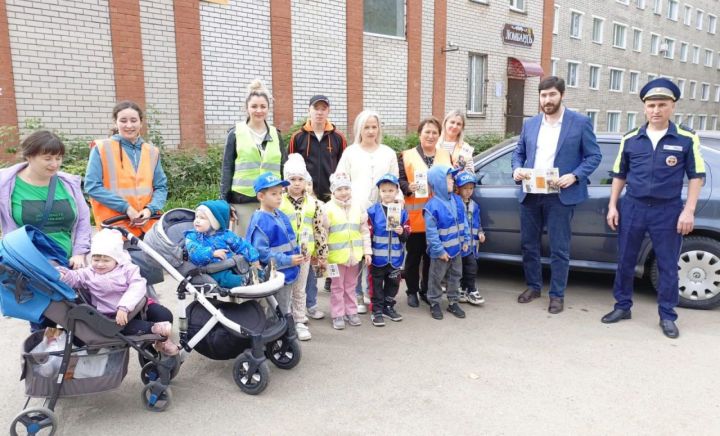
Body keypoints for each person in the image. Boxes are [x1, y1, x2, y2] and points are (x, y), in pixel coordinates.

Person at [601, 78, 705, 339]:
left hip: (667, 210)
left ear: (672, 106)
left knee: (668, 265)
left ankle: (667, 315)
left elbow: (696, 176)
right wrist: (613, 206)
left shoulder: (686, 138)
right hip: (633, 207)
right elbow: (619, 175)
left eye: (662, 104)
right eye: (651, 105)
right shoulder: (630, 139)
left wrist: (688, 210)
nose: (656, 110)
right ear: (644, 108)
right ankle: (622, 306)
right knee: (625, 260)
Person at [511, 76, 602, 314]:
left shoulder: (580, 122)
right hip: (530, 193)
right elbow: (518, 152)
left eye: (552, 94)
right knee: (529, 245)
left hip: (560, 195)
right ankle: (533, 286)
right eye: (543, 95)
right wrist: (516, 168)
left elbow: (594, 156)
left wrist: (575, 175)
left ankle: (557, 295)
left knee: (559, 248)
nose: (547, 100)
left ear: (562, 95)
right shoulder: (530, 124)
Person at [57, 229, 178, 355]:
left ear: (117, 259)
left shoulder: (128, 269)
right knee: (127, 328)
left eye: (106, 260)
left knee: (165, 315)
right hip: (113, 315)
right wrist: (62, 275)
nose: (99, 264)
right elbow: (75, 277)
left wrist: (125, 306)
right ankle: (152, 330)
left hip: (136, 306)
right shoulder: (88, 273)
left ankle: (162, 342)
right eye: (96, 259)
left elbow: (137, 285)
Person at [336, 110, 400, 313]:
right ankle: (356, 294)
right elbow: (341, 179)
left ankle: (371, 293)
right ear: (359, 129)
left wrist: (396, 209)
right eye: (367, 127)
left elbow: (396, 183)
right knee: (357, 252)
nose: (371, 131)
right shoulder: (350, 152)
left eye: (374, 127)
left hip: (382, 211)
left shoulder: (388, 152)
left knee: (376, 252)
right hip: (357, 208)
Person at [0, 130, 91, 268]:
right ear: (29, 156)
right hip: (26, 267)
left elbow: (83, 222)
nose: (54, 164)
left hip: (68, 265)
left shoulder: (69, 184)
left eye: (58, 158)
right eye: (47, 158)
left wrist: (79, 253)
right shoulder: (6, 184)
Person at [85, 101, 168, 237]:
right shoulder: (101, 148)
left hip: (148, 227)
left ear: (141, 123)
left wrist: (149, 210)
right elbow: (92, 186)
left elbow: (161, 187)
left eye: (133, 120)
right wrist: (127, 208)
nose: (129, 125)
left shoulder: (152, 151)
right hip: (115, 228)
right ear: (115, 123)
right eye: (123, 120)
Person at [220, 79, 288, 235]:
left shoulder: (276, 135)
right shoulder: (235, 133)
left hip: (271, 198)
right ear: (247, 108)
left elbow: (284, 166)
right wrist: (224, 200)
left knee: (271, 243)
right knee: (245, 244)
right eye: (254, 106)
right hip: (243, 200)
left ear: (268, 109)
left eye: (263, 106)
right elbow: (227, 168)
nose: (259, 110)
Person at [398, 117, 452, 308]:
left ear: (439, 135)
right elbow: (399, 180)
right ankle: (412, 291)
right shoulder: (406, 155)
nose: (430, 136)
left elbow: (451, 180)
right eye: (427, 132)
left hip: (439, 218)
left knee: (432, 258)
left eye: (434, 132)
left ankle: (427, 290)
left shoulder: (445, 155)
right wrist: (408, 187)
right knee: (414, 257)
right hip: (416, 217)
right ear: (419, 134)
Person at [279, 155, 329, 341]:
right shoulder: (279, 201)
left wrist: (322, 254)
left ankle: (299, 320)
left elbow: (319, 229)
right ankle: (282, 318)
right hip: (283, 254)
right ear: (286, 181)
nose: (297, 183)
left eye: (300, 179)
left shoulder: (314, 204)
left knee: (299, 288)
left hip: (304, 254)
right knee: (283, 288)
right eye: (292, 179)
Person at [246, 172, 306, 319]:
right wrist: (289, 260)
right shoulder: (261, 220)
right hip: (276, 274)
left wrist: (299, 253)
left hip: (287, 272)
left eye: (280, 193)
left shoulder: (279, 214)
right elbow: (262, 254)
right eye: (274, 194)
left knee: (283, 307)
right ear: (261, 196)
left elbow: (289, 241)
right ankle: (277, 338)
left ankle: (281, 335)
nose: (279, 197)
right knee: (278, 310)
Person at [323, 172, 372, 330]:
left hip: (354, 256)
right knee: (337, 287)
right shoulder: (327, 209)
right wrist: (323, 256)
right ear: (333, 191)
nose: (343, 192)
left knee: (351, 286)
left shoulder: (358, 207)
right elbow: (323, 234)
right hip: (335, 258)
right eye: (339, 189)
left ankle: (351, 311)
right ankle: (338, 314)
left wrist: (367, 252)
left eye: (346, 188)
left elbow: (364, 231)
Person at [423, 165, 470, 320]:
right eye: (449, 178)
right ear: (439, 182)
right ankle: (434, 302)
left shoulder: (457, 200)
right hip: (440, 253)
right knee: (436, 277)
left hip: (457, 249)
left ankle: (453, 301)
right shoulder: (431, 206)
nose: (452, 180)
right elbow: (431, 233)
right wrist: (439, 251)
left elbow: (464, 222)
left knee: (455, 276)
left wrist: (466, 239)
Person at [184, 200, 260, 289]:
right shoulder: (192, 236)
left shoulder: (225, 234)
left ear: (215, 222)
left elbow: (241, 244)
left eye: (202, 218)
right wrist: (212, 253)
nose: (197, 221)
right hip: (210, 269)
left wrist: (254, 258)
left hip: (229, 264)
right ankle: (244, 281)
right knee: (224, 278)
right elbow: (194, 252)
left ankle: (261, 274)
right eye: (196, 217)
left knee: (244, 266)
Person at [367, 174, 409, 327]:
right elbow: (368, 234)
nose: (387, 193)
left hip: (395, 258)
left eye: (391, 190)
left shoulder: (402, 212)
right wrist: (367, 253)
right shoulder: (372, 211)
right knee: (376, 286)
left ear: (397, 191)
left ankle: (388, 306)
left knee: (393, 284)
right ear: (379, 192)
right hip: (378, 258)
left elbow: (406, 234)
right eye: (384, 190)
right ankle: (377, 310)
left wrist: (401, 231)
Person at [288, 95, 347, 203]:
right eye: (316, 108)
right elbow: (289, 169)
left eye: (323, 109)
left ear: (328, 111)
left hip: (332, 197)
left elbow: (343, 168)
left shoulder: (339, 137)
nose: (319, 112)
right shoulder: (297, 137)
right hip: (305, 196)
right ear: (309, 110)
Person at [454, 171, 486, 306]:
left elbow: (478, 221)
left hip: (472, 245)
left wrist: (480, 232)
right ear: (458, 188)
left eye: (471, 188)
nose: (468, 192)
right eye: (465, 188)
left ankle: (471, 289)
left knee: (471, 267)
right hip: (459, 245)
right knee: (458, 269)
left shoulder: (475, 205)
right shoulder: (455, 203)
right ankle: (461, 289)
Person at [303, 175, 326, 320]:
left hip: (312, 250)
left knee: (312, 281)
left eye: (309, 184)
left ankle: (311, 306)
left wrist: (320, 251)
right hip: (297, 251)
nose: (307, 187)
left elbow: (321, 229)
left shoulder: (318, 204)